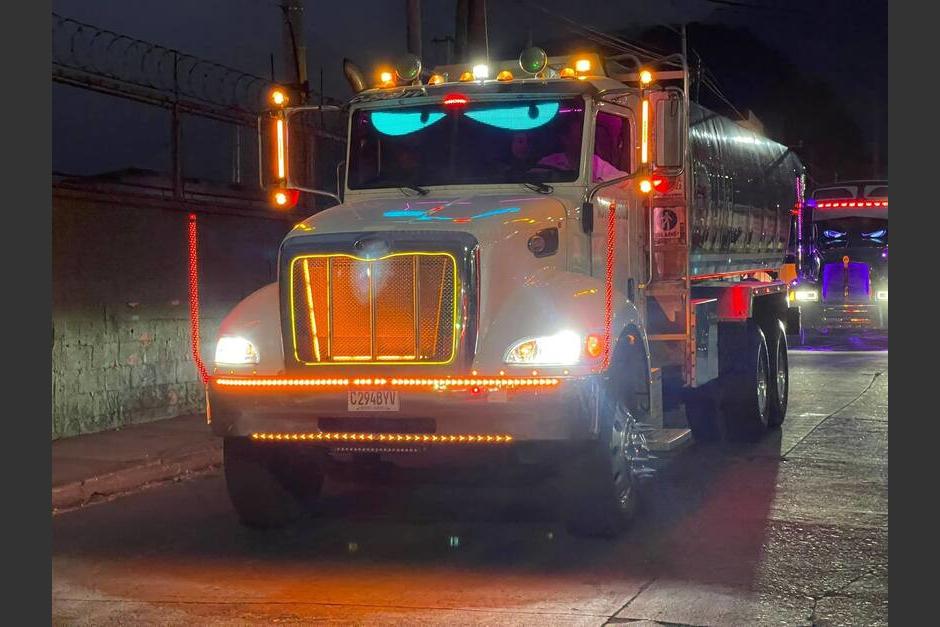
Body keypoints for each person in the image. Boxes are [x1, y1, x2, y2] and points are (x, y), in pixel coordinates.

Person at [537, 120, 626, 183]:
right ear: (564, 139)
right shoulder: (549, 161)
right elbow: (534, 178)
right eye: (578, 137)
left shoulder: (595, 162)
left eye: (582, 137)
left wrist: (599, 183)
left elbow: (623, 177)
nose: (582, 141)